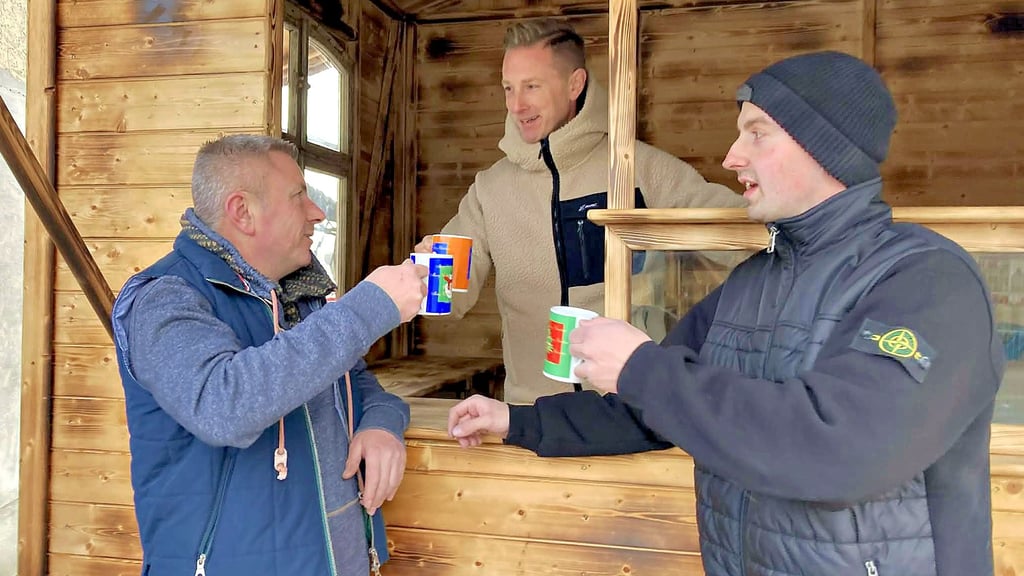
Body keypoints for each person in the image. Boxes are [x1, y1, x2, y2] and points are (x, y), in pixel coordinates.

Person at [447, 51, 1005, 575]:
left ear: (823, 147)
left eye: (756, 134)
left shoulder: (926, 281)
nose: (730, 157)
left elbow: (841, 449)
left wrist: (640, 367)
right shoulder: (750, 285)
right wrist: (518, 420)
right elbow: (651, 406)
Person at [111, 134, 427, 575]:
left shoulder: (297, 294)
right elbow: (224, 405)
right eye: (299, 197)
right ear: (243, 212)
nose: (316, 213)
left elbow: (353, 380)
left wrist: (381, 424)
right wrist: (370, 307)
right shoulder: (166, 300)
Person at [415, 18, 745, 403]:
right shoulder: (489, 188)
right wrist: (425, 279)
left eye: (532, 86)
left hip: (630, 407)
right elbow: (452, 290)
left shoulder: (639, 168)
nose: (516, 105)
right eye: (508, 88)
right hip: (529, 412)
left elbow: (741, 231)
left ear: (575, 84)